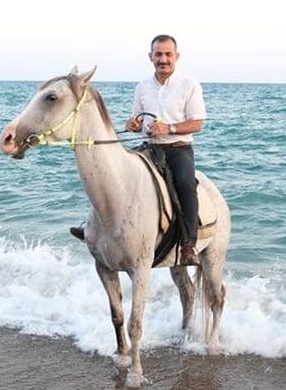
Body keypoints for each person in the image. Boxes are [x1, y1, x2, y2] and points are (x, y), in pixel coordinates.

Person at [71, 34, 206, 266]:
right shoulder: (143, 86)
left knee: (185, 184)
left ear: (176, 56)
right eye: (158, 54)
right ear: (150, 57)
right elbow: (135, 122)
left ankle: (188, 245)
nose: (163, 59)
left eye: (168, 54)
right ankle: (93, 229)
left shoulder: (189, 85)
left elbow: (197, 123)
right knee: (111, 174)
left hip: (178, 149)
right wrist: (132, 125)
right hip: (149, 148)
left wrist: (169, 127)